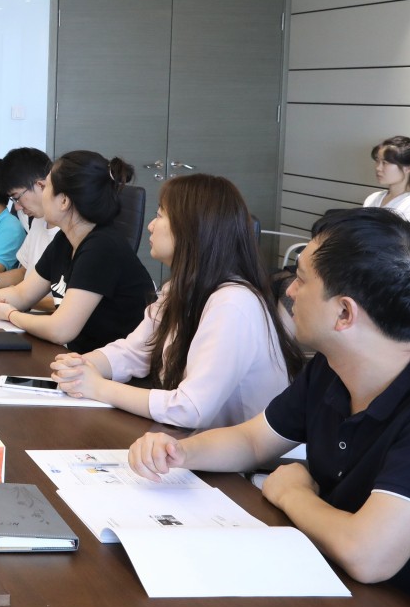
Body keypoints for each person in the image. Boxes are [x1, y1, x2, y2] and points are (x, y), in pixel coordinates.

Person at [129, 209, 410, 607]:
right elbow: (252, 441)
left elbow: (368, 554)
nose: (290, 292)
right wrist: (180, 452)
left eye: (301, 279)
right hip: (331, 584)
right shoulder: (334, 366)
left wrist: (291, 493)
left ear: (344, 314)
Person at [50, 174, 303, 429]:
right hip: (195, 439)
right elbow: (135, 351)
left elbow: (189, 408)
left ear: (191, 228)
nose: (150, 226)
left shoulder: (233, 304)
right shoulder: (180, 288)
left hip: (236, 452)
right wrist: (82, 365)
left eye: (160, 215)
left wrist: (99, 387)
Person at [0, 151, 155, 352]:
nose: (41, 191)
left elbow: (60, 330)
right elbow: (23, 293)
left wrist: (10, 314)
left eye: (46, 186)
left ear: (64, 201)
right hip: (79, 357)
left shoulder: (102, 247)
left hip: (112, 364)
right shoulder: (65, 239)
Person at [0, 147, 61, 292]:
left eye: (17, 197)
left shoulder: (70, 233)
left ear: (41, 185)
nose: (17, 207)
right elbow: (24, 272)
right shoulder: (38, 220)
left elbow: (61, 300)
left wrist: (13, 298)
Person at [364, 135, 410, 230]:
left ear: (407, 168)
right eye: (377, 161)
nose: (378, 168)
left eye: (385, 163)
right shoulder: (373, 198)